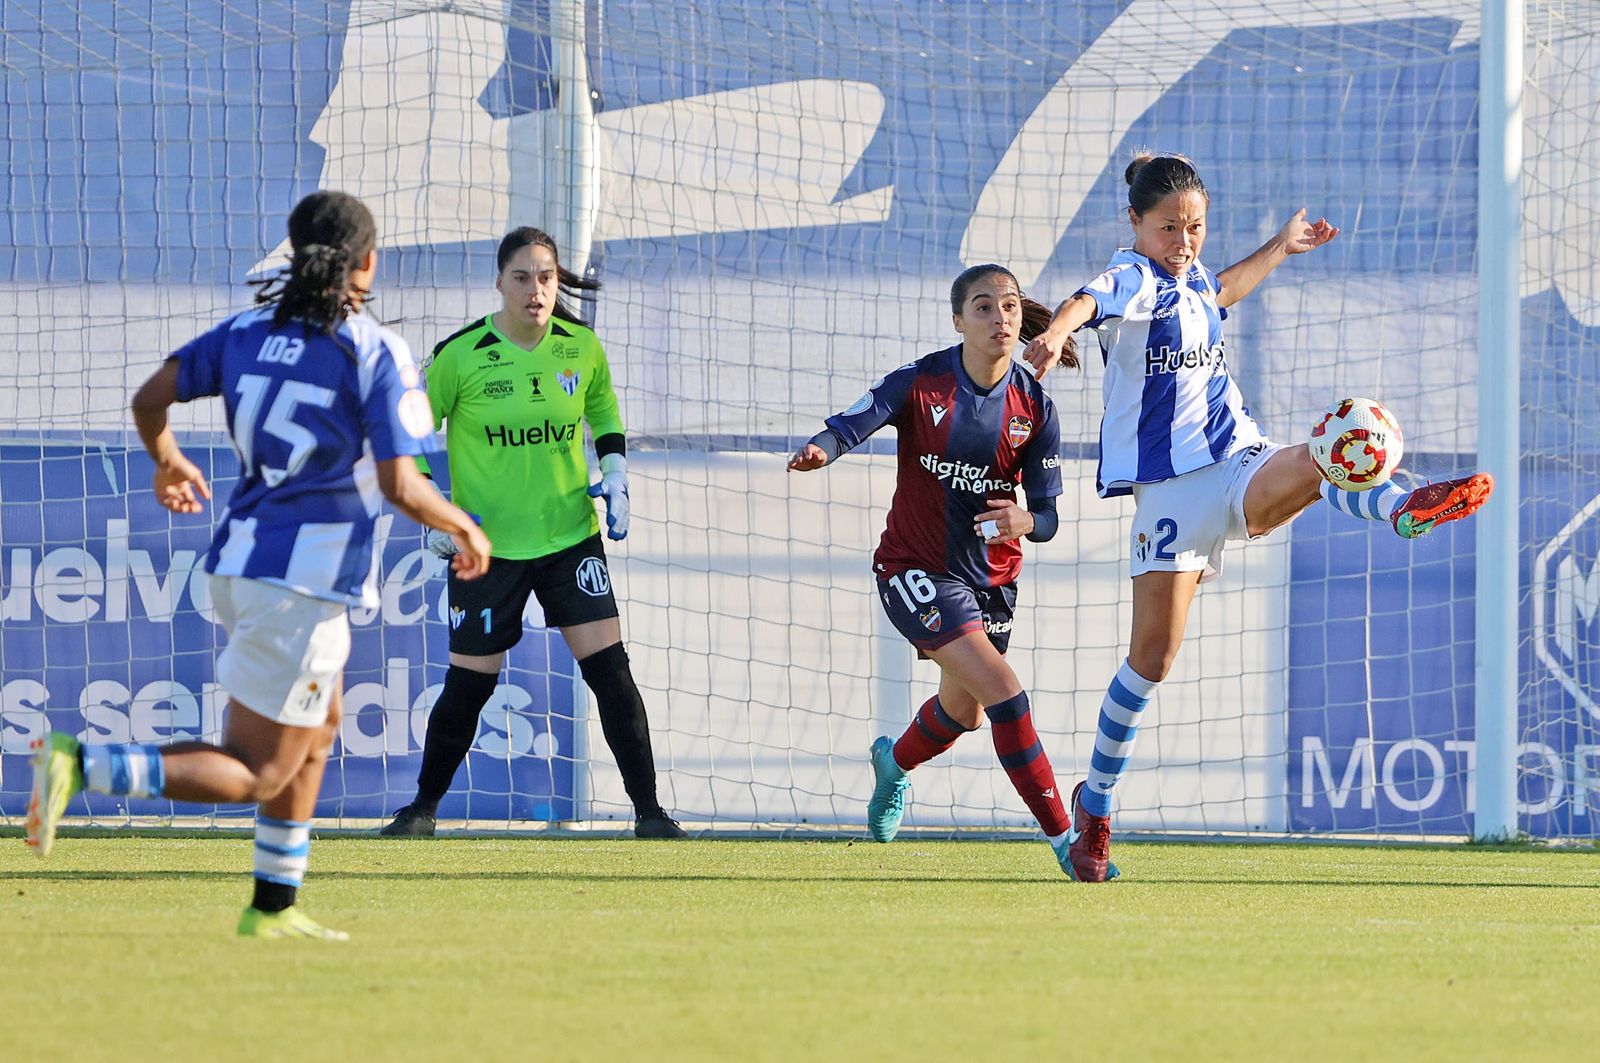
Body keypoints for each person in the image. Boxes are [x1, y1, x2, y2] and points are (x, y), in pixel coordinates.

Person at [26, 190, 492, 937]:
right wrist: (466, 526)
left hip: (243, 561)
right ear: (368, 263)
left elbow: (150, 397)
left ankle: (273, 905)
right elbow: (403, 483)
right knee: (258, 767)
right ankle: (81, 764)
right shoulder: (372, 349)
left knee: (324, 723)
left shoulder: (246, 331)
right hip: (301, 581)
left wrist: (167, 460)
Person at [1023, 153, 1495, 881]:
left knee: (1318, 457)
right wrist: (1057, 332)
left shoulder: (1192, 281)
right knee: (1152, 660)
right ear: (1136, 225)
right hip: (1172, 492)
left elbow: (1223, 291)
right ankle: (1096, 804)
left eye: (1196, 227)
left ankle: (1403, 504)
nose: (1183, 241)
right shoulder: (1133, 275)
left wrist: (1282, 245)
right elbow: (1089, 300)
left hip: (1238, 456)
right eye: (1169, 228)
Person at [379, 227, 683, 839]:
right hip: (487, 549)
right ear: (500, 283)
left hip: (570, 538)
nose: (536, 290)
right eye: (522, 277)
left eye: (546, 277)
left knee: (612, 675)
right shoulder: (460, 356)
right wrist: (434, 511)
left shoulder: (582, 347)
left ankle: (650, 815)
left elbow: (603, 415)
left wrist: (617, 474)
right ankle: (420, 811)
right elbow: (404, 438)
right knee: (469, 685)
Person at [789, 264, 1081, 873]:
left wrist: (1026, 521)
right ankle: (1067, 841)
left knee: (965, 713)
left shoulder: (1034, 405)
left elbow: (1049, 519)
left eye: (1007, 307)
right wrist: (824, 447)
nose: (999, 318)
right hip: (913, 566)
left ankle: (893, 764)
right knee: (1005, 695)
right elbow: (856, 420)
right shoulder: (923, 382)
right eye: (982, 307)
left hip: (991, 581)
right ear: (958, 321)